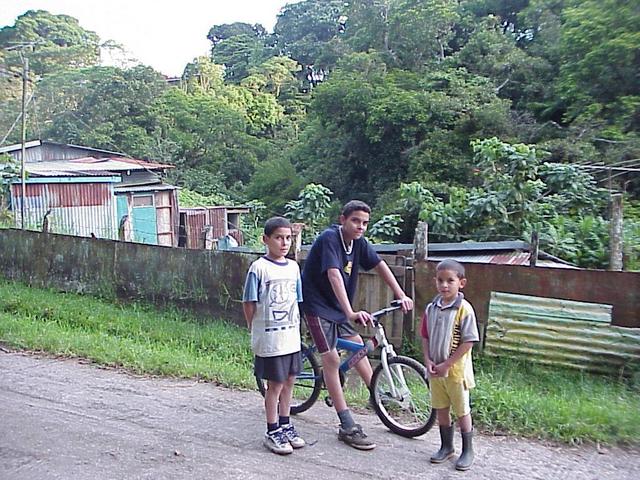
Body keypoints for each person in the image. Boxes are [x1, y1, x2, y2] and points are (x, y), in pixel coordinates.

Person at [302, 200, 414, 450]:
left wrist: (401, 293)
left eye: (365, 223)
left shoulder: (359, 243)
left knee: (358, 346)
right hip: (317, 306)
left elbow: (380, 265)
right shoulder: (330, 239)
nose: (360, 226)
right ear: (343, 219)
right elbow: (333, 275)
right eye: (355, 221)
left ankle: (377, 399)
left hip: (338, 309)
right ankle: (346, 425)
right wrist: (350, 311)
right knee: (330, 359)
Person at [242, 217, 305, 455]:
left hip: (290, 337)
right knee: (275, 385)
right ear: (265, 239)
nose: (284, 243)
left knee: (289, 380)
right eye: (279, 237)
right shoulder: (258, 268)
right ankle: (272, 430)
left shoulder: (293, 268)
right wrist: (254, 327)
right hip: (270, 340)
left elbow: (297, 300)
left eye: (288, 238)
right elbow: (249, 302)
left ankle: (285, 423)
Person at [420, 259, 479, 471]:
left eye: (450, 281)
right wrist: (428, 360)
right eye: (440, 281)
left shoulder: (465, 309)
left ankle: (467, 450)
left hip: (456, 373)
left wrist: (448, 364)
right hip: (435, 371)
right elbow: (425, 336)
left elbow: (469, 341)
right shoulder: (431, 308)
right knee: (441, 409)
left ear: (461, 283)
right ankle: (446, 447)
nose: (445, 285)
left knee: (462, 410)